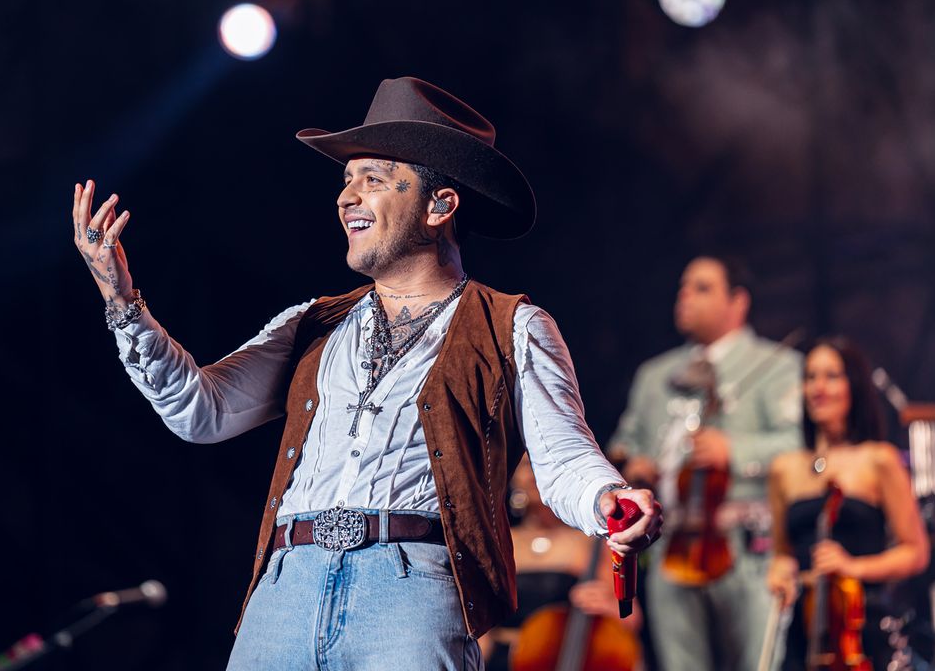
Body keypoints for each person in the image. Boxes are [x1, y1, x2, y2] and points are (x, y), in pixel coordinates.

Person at [71, 76, 663, 670]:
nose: (347, 196)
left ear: (440, 204)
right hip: (286, 588)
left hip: (410, 592)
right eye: (345, 179)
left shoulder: (513, 325)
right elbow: (201, 412)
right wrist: (123, 302)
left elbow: (562, 458)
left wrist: (610, 498)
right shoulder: (311, 324)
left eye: (373, 178)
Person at [607, 255, 802, 671]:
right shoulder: (654, 375)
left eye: (702, 288)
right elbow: (624, 443)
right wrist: (633, 466)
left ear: (738, 302)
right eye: (683, 287)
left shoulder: (776, 366)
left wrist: (736, 451)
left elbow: (799, 445)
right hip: (672, 543)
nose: (685, 296)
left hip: (747, 546)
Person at [766, 337, 929, 671]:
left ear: (853, 386)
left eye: (831, 376)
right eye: (810, 377)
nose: (818, 387)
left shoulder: (879, 460)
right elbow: (783, 552)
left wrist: (852, 568)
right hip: (802, 629)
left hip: (858, 627)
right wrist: (780, 570)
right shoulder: (784, 467)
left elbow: (916, 552)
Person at [479, 455, 642, 671]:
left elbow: (628, 615)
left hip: (570, 659)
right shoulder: (498, 542)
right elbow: (479, 630)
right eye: (529, 466)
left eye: (549, 465)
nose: (537, 475)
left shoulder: (591, 543)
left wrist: (614, 610)